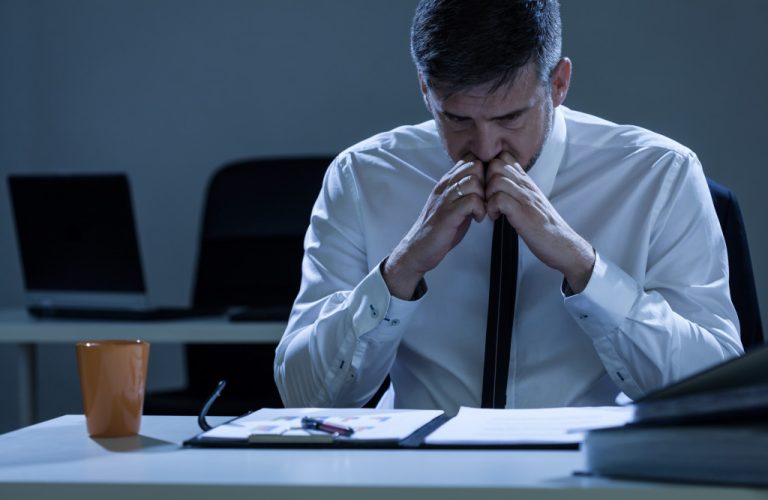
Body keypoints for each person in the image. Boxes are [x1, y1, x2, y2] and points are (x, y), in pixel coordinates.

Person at [274, 0, 742, 414]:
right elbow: (304, 398)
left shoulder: (660, 175)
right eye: (455, 118)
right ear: (424, 89)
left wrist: (584, 267)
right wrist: (401, 269)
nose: (483, 145)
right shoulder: (362, 177)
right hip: (419, 479)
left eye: (510, 117)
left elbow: (714, 389)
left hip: (591, 478)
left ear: (558, 84)